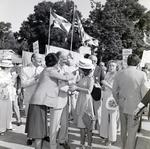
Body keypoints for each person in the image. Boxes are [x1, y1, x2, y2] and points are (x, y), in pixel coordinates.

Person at [25, 53, 75, 149]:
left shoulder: (48, 70)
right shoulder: (50, 70)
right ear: (55, 62)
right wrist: (76, 72)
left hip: (40, 102)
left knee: (39, 130)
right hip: (38, 102)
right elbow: (66, 78)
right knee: (38, 130)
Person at [112, 54, 148, 149]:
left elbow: (114, 90)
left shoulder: (119, 73)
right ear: (138, 63)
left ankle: (124, 147)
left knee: (123, 129)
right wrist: (144, 107)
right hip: (135, 106)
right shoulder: (142, 74)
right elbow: (145, 92)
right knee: (132, 132)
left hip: (122, 104)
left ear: (127, 62)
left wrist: (117, 100)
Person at [69, 58, 95, 149]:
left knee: (88, 123)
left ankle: (89, 145)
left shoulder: (90, 78)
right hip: (80, 101)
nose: (78, 69)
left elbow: (89, 91)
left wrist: (76, 88)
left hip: (86, 102)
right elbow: (78, 86)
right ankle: (82, 144)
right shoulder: (83, 77)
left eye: (80, 68)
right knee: (81, 125)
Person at [21, 53, 44, 145]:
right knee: (29, 117)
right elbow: (23, 84)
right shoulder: (25, 70)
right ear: (32, 59)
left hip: (41, 97)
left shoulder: (43, 70)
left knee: (40, 117)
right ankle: (30, 136)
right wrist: (35, 79)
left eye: (41, 59)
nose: (40, 60)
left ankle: (40, 134)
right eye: (38, 58)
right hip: (30, 97)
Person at [100, 60, 119, 146]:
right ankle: (104, 135)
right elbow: (104, 86)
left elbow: (116, 89)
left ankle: (112, 138)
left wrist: (106, 84)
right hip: (105, 96)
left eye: (113, 66)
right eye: (110, 65)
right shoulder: (107, 74)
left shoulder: (118, 75)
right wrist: (102, 87)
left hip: (113, 98)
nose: (111, 67)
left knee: (112, 118)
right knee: (104, 117)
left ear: (116, 67)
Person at [89, 55, 105, 135]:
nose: (93, 62)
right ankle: (89, 130)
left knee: (98, 113)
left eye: (95, 61)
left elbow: (103, 80)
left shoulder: (100, 69)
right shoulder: (85, 68)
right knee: (88, 113)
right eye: (92, 60)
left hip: (97, 93)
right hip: (87, 93)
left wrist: (101, 87)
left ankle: (100, 132)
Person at [0, 56, 14, 135]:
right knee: (2, 112)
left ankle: (8, 126)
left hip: (9, 94)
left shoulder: (8, 73)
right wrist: (12, 78)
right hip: (2, 95)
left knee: (9, 110)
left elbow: (11, 84)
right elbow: (3, 84)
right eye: (9, 67)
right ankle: (1, 129)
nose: (10, 69)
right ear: (5, 67)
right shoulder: (1, 74)